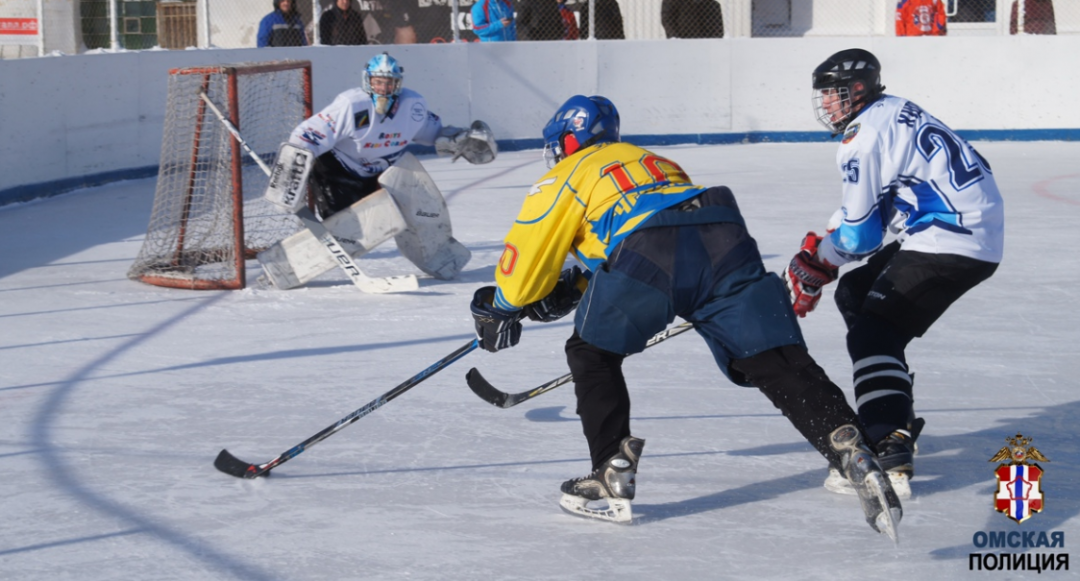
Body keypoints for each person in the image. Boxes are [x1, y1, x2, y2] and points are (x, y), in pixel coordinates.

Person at [469, 95, 901, 537]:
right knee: (768, 356)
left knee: (591, 353)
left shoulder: (567, 173)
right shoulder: (653, 161)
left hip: (649, 251)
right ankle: (849, 447)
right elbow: (656, 227)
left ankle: (610, 470)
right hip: (722, 232)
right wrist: (580, 287)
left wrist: (502, 306)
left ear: (569, 140)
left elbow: (531, 254)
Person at [785, 48, 1003, 500]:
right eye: (822, 95)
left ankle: (889, 442)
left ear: (858, 90)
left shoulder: (861, 137)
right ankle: (892, 402)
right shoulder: (893, 109)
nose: (825, 104)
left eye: (833, 94)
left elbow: (861, 237)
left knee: (872, 335)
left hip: (950, 238)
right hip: (962, 227)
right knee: (856, 294)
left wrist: (817, 262)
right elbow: (870, 206)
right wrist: (822, 254)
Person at [283, 52, 496, 219]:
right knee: (346, 230)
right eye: (378, 82)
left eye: (389, 83)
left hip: (381, 174)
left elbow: (432, 133)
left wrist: (458, 139)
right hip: (339, 171)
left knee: (420, 211)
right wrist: (293, 171)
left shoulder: (413, 105)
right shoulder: (351, 105)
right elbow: (307, 135)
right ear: (368, 81)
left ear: (398, 83)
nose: (383, 88)